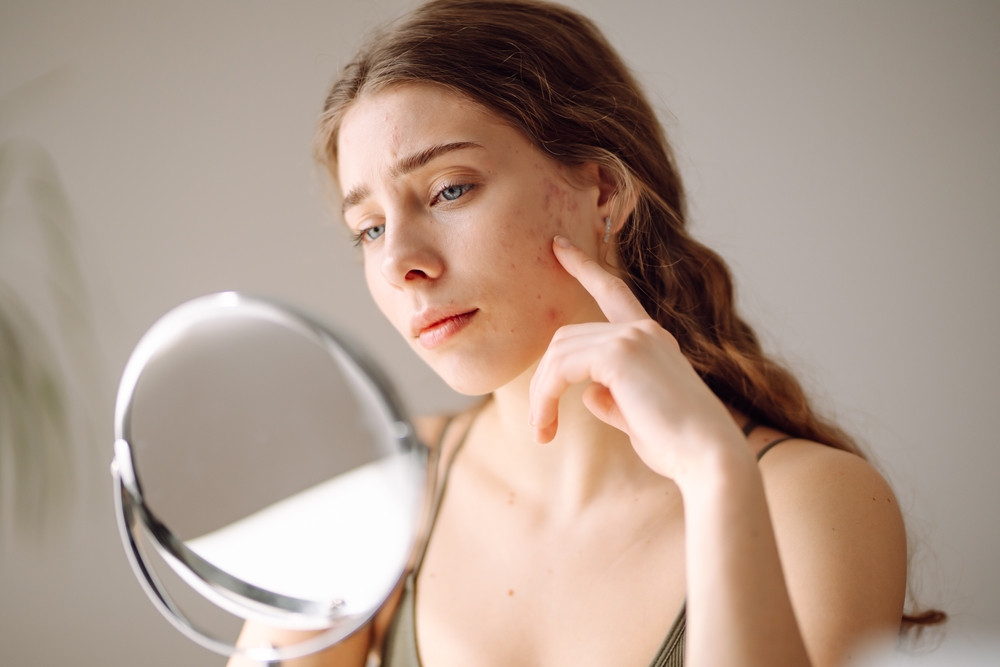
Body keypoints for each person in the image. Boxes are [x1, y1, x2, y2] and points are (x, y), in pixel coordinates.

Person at [232, 0, 943, 664]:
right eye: (370, 228)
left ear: (601, 190)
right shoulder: (384, 492)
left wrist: (713, 472)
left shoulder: (812, 501)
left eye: (450, 188)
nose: (400, 263)